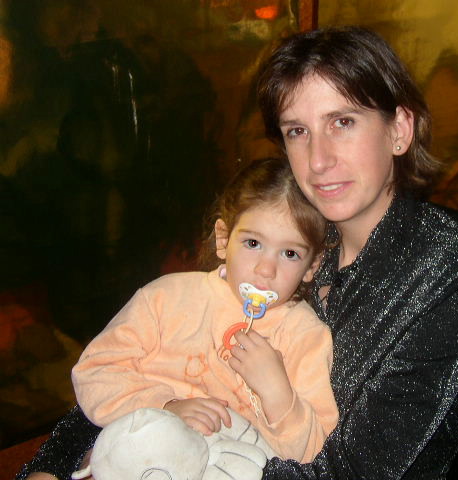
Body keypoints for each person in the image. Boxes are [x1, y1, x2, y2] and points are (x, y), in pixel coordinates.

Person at [19, 27, 458, 479]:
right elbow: (150, 359)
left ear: (399, 129)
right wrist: (55, 464)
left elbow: (355, 471)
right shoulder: (287, 229)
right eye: (297, 131)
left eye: (342, 122)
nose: (318, 160)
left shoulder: (450, 276)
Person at [72, 155, 338, 465]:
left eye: (290, 253)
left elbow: (318, 455)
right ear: (223, 240)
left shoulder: (308, 338)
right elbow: (93, 374)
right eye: (253, 244)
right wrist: (165, 408)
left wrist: (278, 393)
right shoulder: (165, 299)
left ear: (312, 266)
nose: (266, 269)